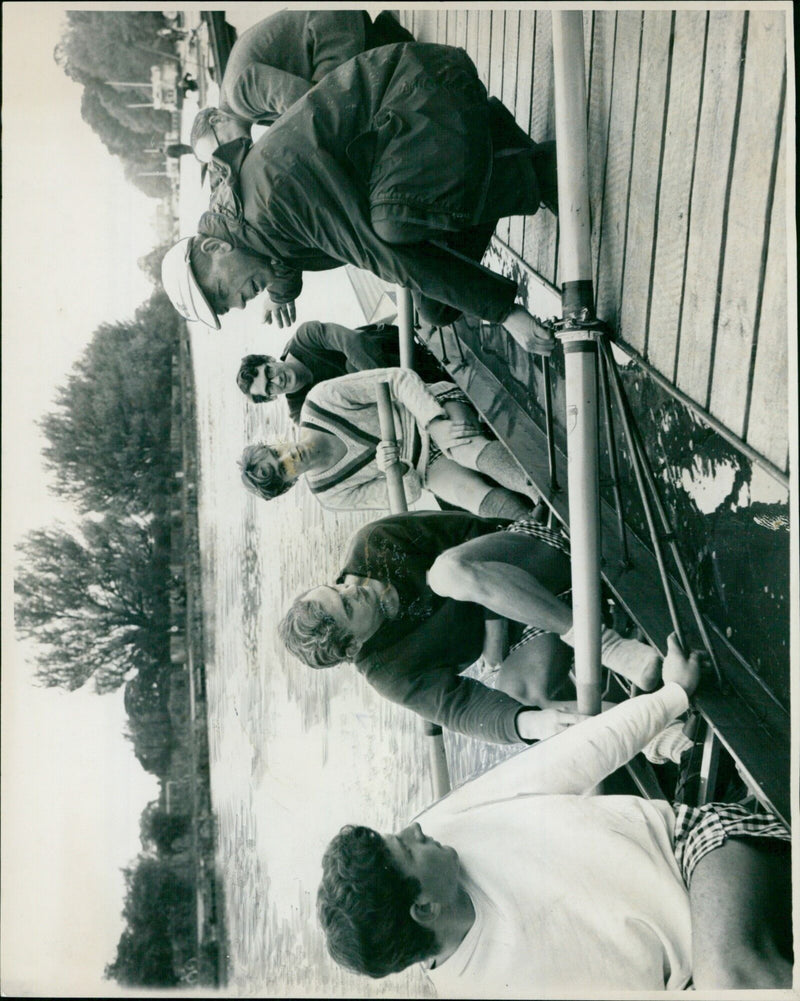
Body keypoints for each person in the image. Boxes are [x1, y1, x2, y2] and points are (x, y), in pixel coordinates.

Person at [317, 635, 792, 991]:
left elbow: (573, 756)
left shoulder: (448, 828)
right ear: (423, 909)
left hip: (691, 848)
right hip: (691, 974)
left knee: (730, 975)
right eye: (405, 846)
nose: (416, 826)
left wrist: (673, 696)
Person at [161, 42, 559, 349]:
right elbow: (278, 260)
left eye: (220, 292)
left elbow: (378, 253)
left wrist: (505, 312)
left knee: (394, 226)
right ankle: (495, 142)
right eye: (226, 308)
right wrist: (278, 293)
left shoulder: (272, 197)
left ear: (215, 247)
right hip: (410, 127)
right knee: (437, 309)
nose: (237, 304)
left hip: (422, 85)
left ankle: (534, 173)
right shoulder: (251, 229)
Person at [278, 510, 663, 744]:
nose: (352, 587)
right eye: (347, 605)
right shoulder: (385, 673)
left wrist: (492, 622)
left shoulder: (373, 543)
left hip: (537, 556)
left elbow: (474, 530)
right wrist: (531, 722)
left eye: (336, 587)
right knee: (526, 706)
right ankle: (656, 730)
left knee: (444, 574)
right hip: (534, 627)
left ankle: (607, 646)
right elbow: (458, 708)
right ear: (352, 647)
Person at [240, 367, 543, 519]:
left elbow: (398, 378)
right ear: (290, 483)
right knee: (468, 496)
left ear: (275, 443)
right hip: (425, 468)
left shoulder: (321, 402)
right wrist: (395, 468)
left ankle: (541, 489)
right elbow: (410, 492)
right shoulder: (330, 494)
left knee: (463, 449)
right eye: (284, 469)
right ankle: (541, 524)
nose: (289, 456)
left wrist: (434, 424)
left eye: (276, 453)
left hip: (433, 408)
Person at [190, 10, 415, 163]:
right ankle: (385, 41)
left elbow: (306, 103)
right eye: (222, 160)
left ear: (216, 119)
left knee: (332, 111)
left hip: (331, 29)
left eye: (221, 147)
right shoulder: (241, 104)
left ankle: (389, 48)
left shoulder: (239, 94)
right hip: (329, 24)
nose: (230, 156)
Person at [236, 319, 448, 422]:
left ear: (269, 359)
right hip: (392, 401)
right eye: (269, 388)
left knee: (352, 366)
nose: (277, 381)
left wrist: (392, 389)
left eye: (269, 372)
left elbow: (353, 341)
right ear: (272, 397)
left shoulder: (305, 339)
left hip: (392, 351)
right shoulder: (301, 411)